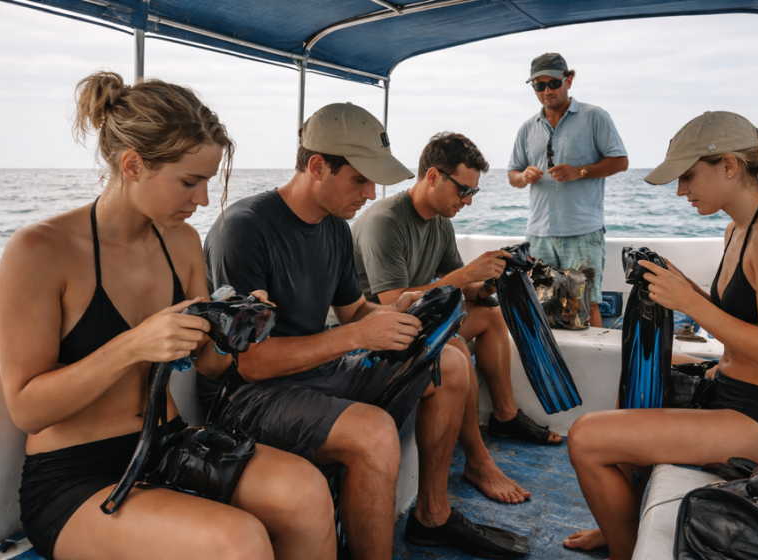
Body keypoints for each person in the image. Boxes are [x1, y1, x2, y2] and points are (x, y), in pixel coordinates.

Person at [0, 71, 336, 560]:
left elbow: (210, 367)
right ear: (133, 165)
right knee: (238, 542)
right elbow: (27, 408)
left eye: (206, 183)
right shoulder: (40, 250)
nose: (200, 201)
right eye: (189, 182)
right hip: (75, 477)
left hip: (170, 444)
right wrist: (133, 344)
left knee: (307, 491)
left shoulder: (180, 242)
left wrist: (229, 329)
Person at [201, 103, 530, 560]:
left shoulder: (335, 228)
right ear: (318, 166)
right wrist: (356, 338)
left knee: (452, 360)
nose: (372, 192)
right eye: (360, 179)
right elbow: (251, 362)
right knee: (373, 432)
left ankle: (432, 516)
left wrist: (395, 310)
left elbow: (354, 310)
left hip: (316, 371)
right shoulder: (243, 230)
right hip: (248, 397)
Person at [566, 111, 758, 560]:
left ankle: (624, 551)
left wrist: (689, 301)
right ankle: (620, 518)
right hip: (733, 389)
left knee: (587, 437)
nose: (681, 191)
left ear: (729, 166)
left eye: (687, 176)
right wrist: (680, 283)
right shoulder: (739, 228)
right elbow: (740, 312)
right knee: (646, 369)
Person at [352, 132, 564, 504]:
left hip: (415, 321)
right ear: (432, 176)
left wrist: (490, 283)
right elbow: (392, 302)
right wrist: (468, 275)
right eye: (463, 190)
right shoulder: (386, 220)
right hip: (379, 329)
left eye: (474, 193)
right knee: (455, 347)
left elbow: (463, 290)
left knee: (489, 315)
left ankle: (505, 414)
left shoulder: (440, 222)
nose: (467, 201)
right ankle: (478, 461)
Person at [507, 53, 628, 327]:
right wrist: (523, 176)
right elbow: (512, 174)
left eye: (553, 83)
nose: (547, 90)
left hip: (582, 233)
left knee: (585, 307)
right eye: (539, 85)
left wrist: (579, 171)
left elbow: (621, 161)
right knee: (542, 307)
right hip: (538, 235)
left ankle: (598, 369)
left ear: (569, 80)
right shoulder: (527, 128)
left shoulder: (594, 116)